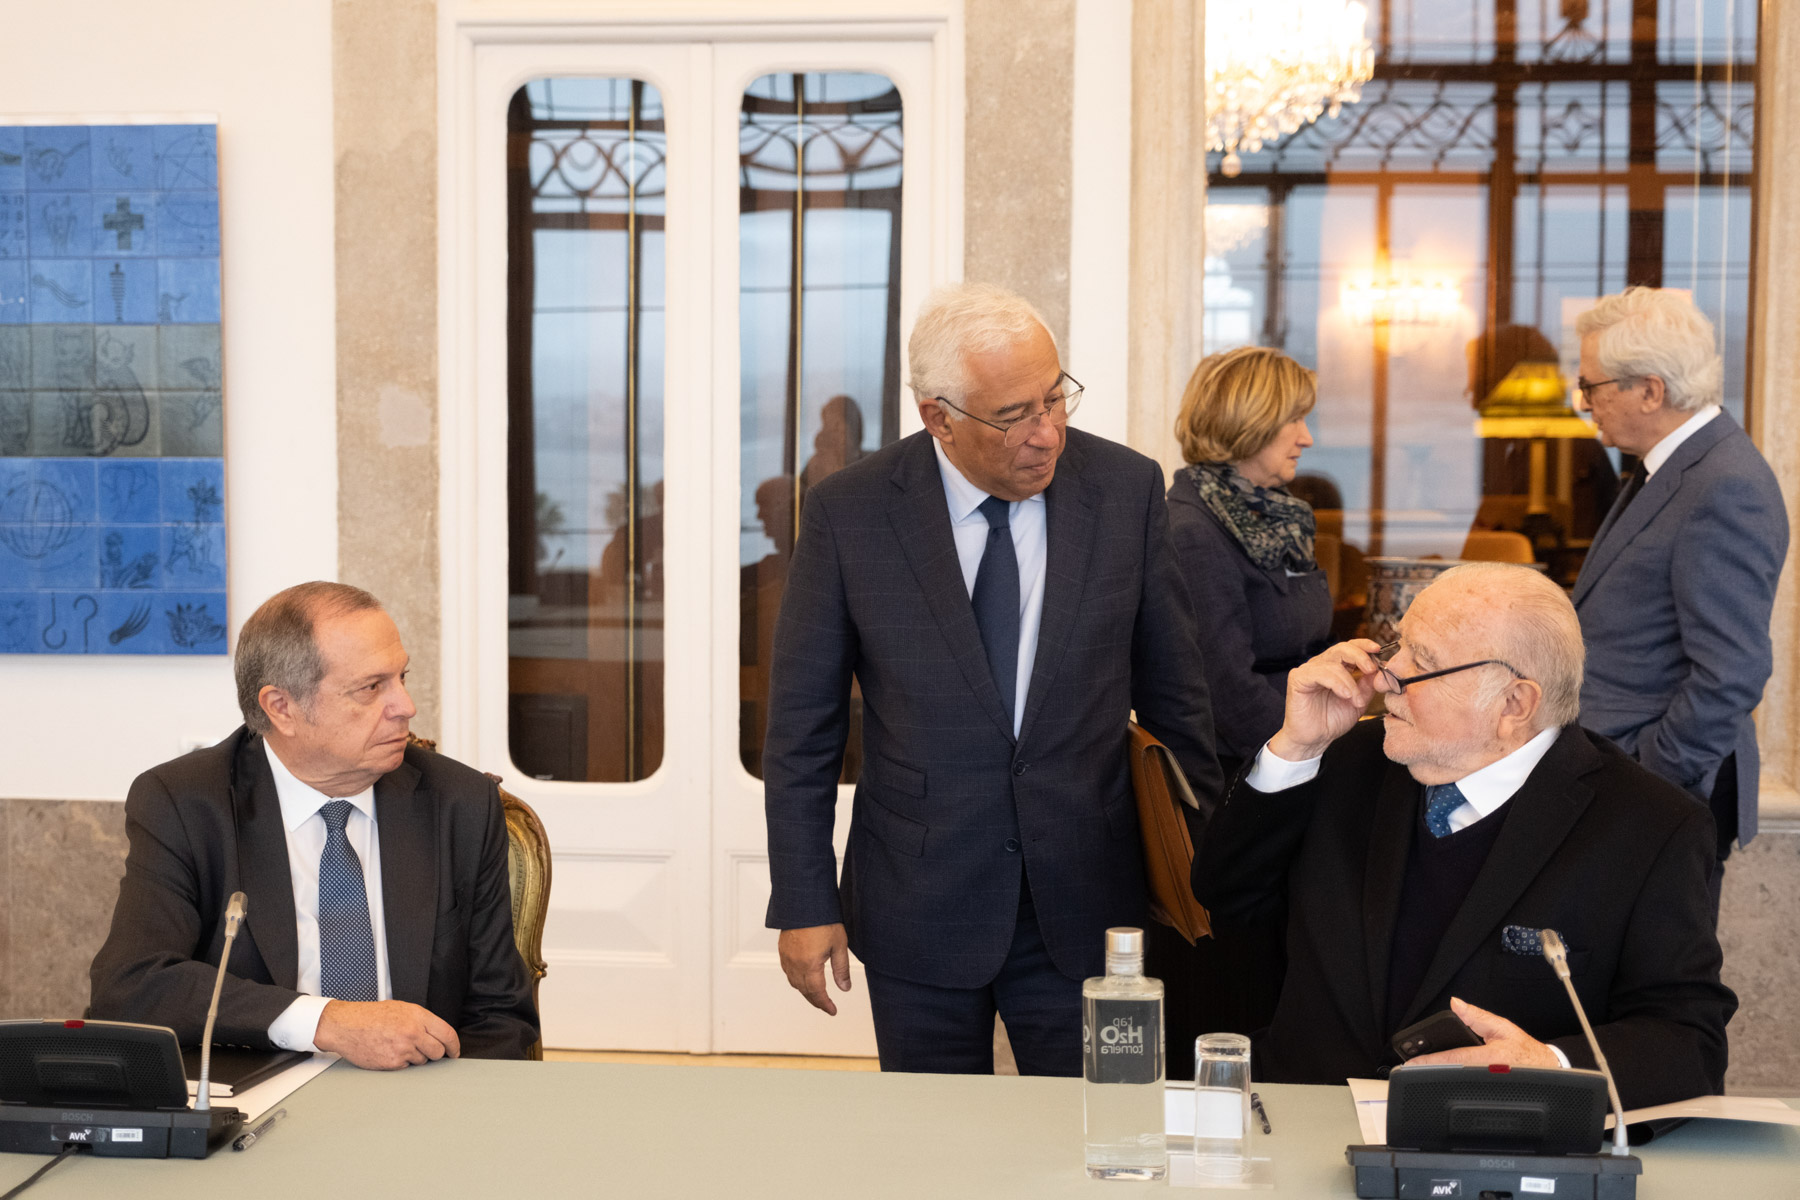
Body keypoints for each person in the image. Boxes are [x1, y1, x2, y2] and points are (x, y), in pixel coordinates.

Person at [763, 282, 1219, 1075]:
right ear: (938, 417)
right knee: (935, 1138)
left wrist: (1200, 873)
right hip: (918, 901)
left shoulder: (1127, 490)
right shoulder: (851, 513)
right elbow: (803, 731)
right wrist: (804, 901)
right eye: (1014, 416)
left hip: (1088, 901)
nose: (1048, 433)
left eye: (1055, 399)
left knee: (1091, 1131)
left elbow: (1179, 701)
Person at [1191, 563, 1733, 1108]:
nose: (1386, 675)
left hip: (1490, 1140)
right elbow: (1227, 898)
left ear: (1514, 704)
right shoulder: (1344, 757)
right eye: (1397, 645)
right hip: (1300, 1120)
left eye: (1423, 662)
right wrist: (1295, 748)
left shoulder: (1649, 825)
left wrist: (1552, 1065)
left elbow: (1689, 1040)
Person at [89, 582, 539, 1068]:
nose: (406, 706)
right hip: (257, 1089)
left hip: (420, 1087)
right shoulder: (186, 804)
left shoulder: (459, 803)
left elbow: (501, 1017)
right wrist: (326, 1022)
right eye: (371, 687)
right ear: (282, 708)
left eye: (401, 677)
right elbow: (132, 986)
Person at [1571, 287, 1788, 917]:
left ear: (1650, 390)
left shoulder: (1725, 484)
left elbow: (1732, 673)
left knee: (1653, 977)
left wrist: (1646, 778)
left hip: (1656, 796)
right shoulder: (1669, 467)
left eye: (1590, 386)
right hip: (1618, 780)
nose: (1583, 403)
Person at [1153, 346, 1331, 1076]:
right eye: (1294, 420)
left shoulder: (1275, 519)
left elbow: (1296, 647)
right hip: (1234, 799)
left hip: (1283, 771)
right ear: (1248, 422)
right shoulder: (1193, 531)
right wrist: (1330, 741)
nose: (1307, 437)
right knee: (1234, 1000)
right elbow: (1227, 699)